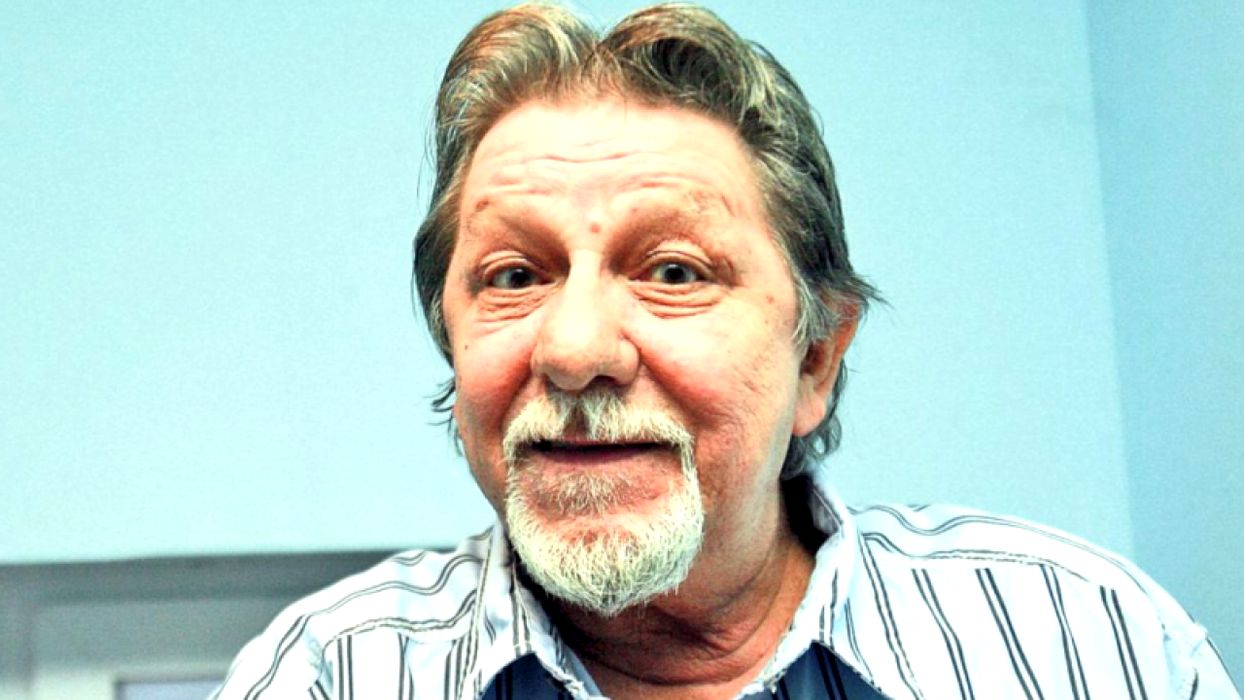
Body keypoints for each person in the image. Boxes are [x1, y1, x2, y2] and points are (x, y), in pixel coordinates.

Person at [213, 4, 1238, 698]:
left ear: (816, 358)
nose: (573, 347)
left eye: (672, 270)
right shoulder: (323, 675)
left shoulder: (1082, 641)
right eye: (513, 276)